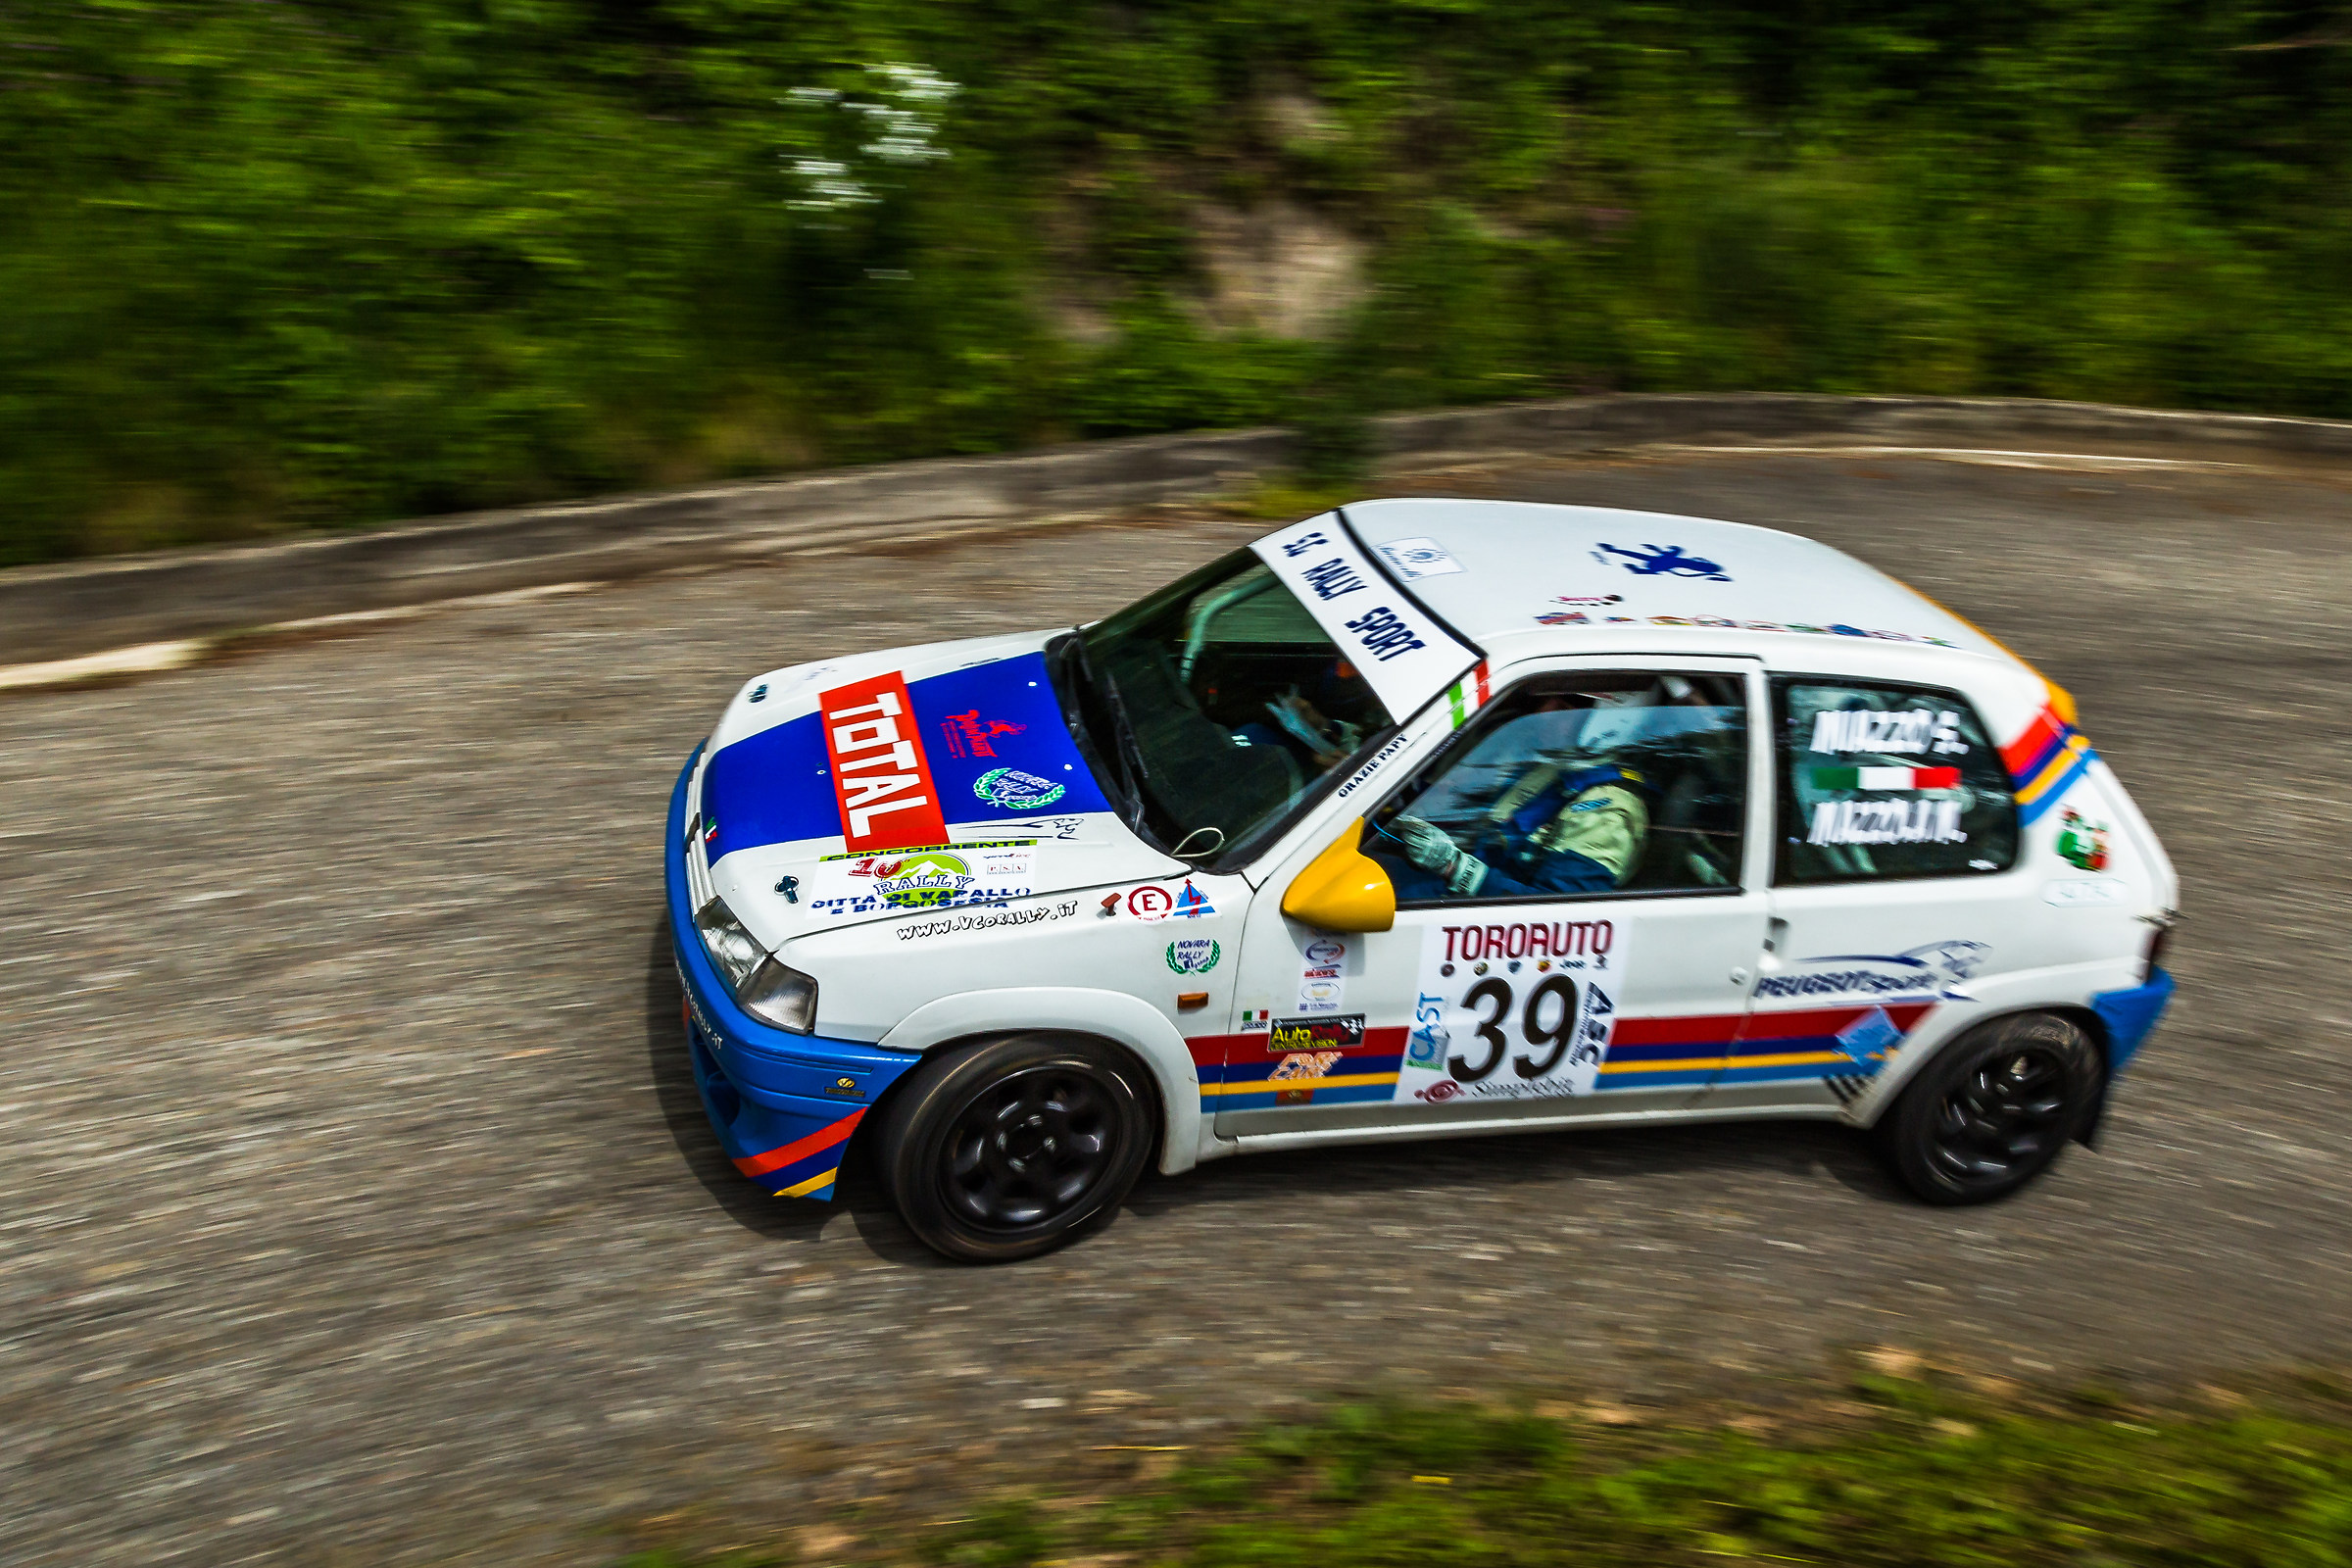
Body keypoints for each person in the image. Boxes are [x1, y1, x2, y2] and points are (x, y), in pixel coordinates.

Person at [1384, 760, 1651, 900]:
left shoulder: (1609, 808)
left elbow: (1561, 916)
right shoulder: (1552, 763)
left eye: (1565, 704)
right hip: (1456, 888)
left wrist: (1455, 867)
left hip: (1492, 924)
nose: (1547, 711)